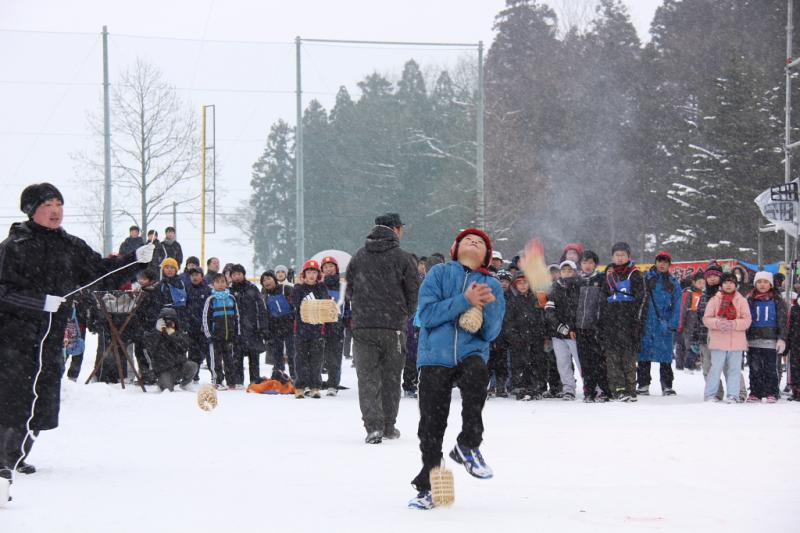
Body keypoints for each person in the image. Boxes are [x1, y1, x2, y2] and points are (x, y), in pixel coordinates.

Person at [0, 183, 153, 481]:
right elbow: (2, 291)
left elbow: (100, 271)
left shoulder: (70, 245)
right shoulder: (13, 248)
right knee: (13, 395)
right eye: (48, 204)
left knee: (42, 395)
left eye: (59, 203)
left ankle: (18, 455)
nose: (56, 210)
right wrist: (38, 302)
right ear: (32, 210)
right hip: (15, 335)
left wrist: (135, 260)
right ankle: (3, 456)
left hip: (51, 335)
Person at [408, 228, 505, 510]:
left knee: (478, 376)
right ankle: (430, 487)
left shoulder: (492, 285)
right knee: (431, 425)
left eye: (480, 243)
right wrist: (464, 301)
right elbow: (425, 315)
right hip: (434, 356)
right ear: (455, 247)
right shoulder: (438, 274)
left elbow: (490, 333)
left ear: (487, 256)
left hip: (470, 353)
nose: (474, 243)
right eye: (468, 240)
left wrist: (488, 309)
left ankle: (468, 445)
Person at [345, 213, 419, 443]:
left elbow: (350, 289)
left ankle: (373, 427)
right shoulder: (403, 258)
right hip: (393, 327)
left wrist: (362, 311)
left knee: (367, 378)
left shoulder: (359, 256)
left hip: (364, 326)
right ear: (396, 229)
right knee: (390, 377)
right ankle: (388, 426)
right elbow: (413, 292)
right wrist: (403, 314)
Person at [598, 242, 646, 402]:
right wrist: (603, 321)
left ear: (629, 256)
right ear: (612, 257)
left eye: (622, 255)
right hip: (611, 322)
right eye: (616, 255)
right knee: (612, 357)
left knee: (628, 357)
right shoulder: (608, 275)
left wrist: (635, 320)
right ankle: (618, 388)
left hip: (628, 322)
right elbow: (603, 299)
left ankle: (630, 388)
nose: (619, 258)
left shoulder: (635, 274)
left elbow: (641, 298)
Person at [637, 252, 682, 397]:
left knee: (665, 357)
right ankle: (643, 384)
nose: (662, 264)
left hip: (664, 323)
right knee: (643, 355)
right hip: (647, 322)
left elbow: (677, 305)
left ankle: (667, 385)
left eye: (665, 262)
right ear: (655, 262)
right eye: (659, 261)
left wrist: (671, 324)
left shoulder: (673, 282)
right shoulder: (646, 279)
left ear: (669, 264)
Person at [702, 273, 751, 403]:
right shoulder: (714, 300)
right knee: (715, 369)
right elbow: (706, 319)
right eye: (725, 282)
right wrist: (717, 323)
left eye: (731, 282)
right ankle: (710, 394)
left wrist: (735, 323)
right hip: (718, 341)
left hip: (736, 342)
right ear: (721, 285)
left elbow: (747, 320)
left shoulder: (742, 300)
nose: (728, 285)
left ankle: (733, 395)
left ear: (736, 285)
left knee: (734, 369)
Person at [745, 271, 787, 403]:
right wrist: (744, 337)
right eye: (759, 282)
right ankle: (755, 392)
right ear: (755, 284)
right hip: (753, 339)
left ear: (771, 284)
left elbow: (782, 320)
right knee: (754, 368)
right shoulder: (750, 299)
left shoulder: (777, 300)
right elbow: (745, 319)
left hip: (771, 339)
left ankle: (772, 391)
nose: (762, 285)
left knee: (770, 368)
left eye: (765, 282)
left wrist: (782, 338)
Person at [505, 272, 548, 400]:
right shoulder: (512, 301)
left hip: (535, 338)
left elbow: (543, 317)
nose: (523, 286)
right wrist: (514, 336)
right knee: (519, 363)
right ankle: (520, 387)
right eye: (519, 283)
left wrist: (541, 333)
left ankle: (536, 387)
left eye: (525, 283)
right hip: (519, 338)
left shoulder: (536, 298)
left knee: (537, 362)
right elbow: (508, 322)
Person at [291, 260, 330, 399]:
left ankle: (315, 387)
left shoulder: (321, 288)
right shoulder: (298, 288)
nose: (311, 275)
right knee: (300, 359)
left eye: (314, 272)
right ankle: (300, 387)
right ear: (304, 274)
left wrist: (321, 284)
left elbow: (326, 302)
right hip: (301, 330)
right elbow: (294, 303)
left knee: (316, 360)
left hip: (318, 330)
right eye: (309, 272)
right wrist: (298, 284)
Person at [545, 260, 583, 401]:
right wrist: (559, 326)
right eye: (563, 270)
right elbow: (549, 310)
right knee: (562, 363)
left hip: (575, 332)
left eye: (569, 270)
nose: (566, 273)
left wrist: (572, 327)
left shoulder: (580, 286)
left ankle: (590, 387)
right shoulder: (555, 287)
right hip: (558, 333)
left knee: (581, 362)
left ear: (574, 271)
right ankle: (568, 389)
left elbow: (580, 310)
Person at [575, 250, 610, 402]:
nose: (587, 266)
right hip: (580, 327)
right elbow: (571, 306)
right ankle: (589, 391)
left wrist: (602, 323)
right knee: (585, 362)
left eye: (590, 262)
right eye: (584, 262)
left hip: (597, 328)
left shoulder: (603, 279)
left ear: (595, 264)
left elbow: (607, 304)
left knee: (600, 361)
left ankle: (604, 390)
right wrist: (572, 326)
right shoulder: (576, 281)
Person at [229, 264, 267, 386]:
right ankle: (238, 381)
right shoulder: (229, 291)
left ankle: (254, 380)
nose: (237, 277)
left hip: (253, 328)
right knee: (237, 356)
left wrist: (262, 326)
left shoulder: (252, 288)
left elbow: (261, 307)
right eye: (234, 274)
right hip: (237, 329)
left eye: (239, 274)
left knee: (254, 356)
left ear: (244, 275)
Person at [143, 307, 197, 392]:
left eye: (170, 321)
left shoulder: (179, 332)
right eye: (165, 321)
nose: (168, 324)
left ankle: (185, 384)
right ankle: (161, 384)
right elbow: (150, 348)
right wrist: (157, 331)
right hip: (163, 369)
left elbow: (184, 347)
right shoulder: (154, 333)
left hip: (178, 366)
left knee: (193, 366)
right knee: (168, 390)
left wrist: (173, 334)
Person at [202, 273, 240, 390]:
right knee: (216, 361)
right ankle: (217, 381)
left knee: (230, 360)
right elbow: (205, 318)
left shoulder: (231, 298)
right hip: (215, 337)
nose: (220, 284)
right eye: (217, 282)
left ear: (227, 283)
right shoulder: (211, 299)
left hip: (229, 336)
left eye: (223, 281)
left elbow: (237, 317)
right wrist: (209, 335)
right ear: (213, 285)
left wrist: (237, 333)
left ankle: (231, 382)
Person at [261, 270, 295, 378]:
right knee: (277, 354)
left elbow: (297, 305)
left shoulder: (286, 289)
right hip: (275, 328)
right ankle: (279, 374)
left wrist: (292, 318)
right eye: (264, 280)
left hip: (290, 326)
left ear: (274, 279)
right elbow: (264, 314)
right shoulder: (264, 296)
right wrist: (266, 330)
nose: (267, 282)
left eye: (269, 278)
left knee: (292, 353)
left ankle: (296, 376)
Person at [320, 256, 346, 395]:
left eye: (331, 266)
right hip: (320, 324)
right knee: (318, 355)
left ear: (336, 268)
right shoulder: (319, 285)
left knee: (334, 356)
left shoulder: (343, 285)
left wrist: (348, 321)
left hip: (337, 324)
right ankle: (315, 381)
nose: (328, 269)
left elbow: (347, 305)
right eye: (325, 267)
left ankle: (333, 384)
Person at [677, 272, 705, 373]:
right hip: (689, 322)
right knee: (687, 344)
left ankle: (696, 363)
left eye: (703, 283)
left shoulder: (703, 294)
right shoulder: (688, 293)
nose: (702, 285)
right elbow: (682, 309)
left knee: (697, 344)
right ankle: (686, 365)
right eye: (699, 282)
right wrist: (681, 324)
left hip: (699, 324)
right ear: (694, 282)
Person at [185, 267, 211, 381]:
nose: (194, 277)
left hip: (205, 327)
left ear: (202, 276)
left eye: (197, 275)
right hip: (191, 327)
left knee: (208, 353)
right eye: (192, 275)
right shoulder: (187, 289)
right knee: (192, 353)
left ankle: (216, 377)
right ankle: (193, 375)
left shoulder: (207, 290)